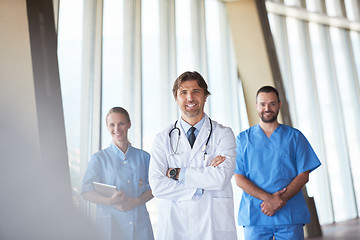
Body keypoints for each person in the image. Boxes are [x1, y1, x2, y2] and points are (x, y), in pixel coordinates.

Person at [149, 71, 238, 240]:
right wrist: (201, 185)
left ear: (205, 96)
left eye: (196, 91)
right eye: (183, 92)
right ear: (176, 98)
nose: (190, 97)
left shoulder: (223, 134)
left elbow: (221, 178)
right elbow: (157, 185)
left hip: (213, 228)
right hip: (175, 228)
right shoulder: (162, 139)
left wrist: (177, 173)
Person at [234, 86, 321, 240]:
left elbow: (303, 175)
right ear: (256, 105)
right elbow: (239, 178)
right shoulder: (242, 140)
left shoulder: (295, 137)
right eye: (262, 104)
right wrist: (269, 200)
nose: (267, 108)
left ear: (279, 105)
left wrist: (279, 201)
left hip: (289, 215)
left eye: (272, 104)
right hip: (256, 215)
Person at [81, 107, 154, 240]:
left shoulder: (144, 157)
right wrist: (109, 201)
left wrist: (137, 200)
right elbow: (86, 192)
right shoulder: (98, 159)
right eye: (112, 125)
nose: (117, 129)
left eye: (121, 123)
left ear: (129, 124)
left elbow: (155, 188)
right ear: (107, 127)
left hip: (140, 228)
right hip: (110, 228)